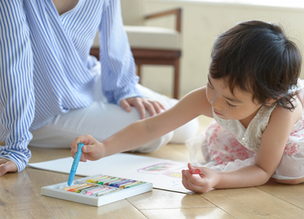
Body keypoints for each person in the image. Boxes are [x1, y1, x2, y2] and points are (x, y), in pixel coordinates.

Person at [71, 20, 304, 193]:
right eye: (211, 86)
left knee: (288, 170)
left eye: (231, 102)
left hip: (289, 137)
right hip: (257, 137)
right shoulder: (207, 97)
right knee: (221, 149)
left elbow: (263, 170)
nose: (215, 103)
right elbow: (151, 128)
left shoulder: (282, 111)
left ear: (268, 99)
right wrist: (103, 148)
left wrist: (218, 180)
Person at [0, 0, 199, 176]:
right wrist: (16, 145)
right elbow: (15, 67)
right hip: (34, 106)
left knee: (188, 124)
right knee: (156, 130)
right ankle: (22, 132)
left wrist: (124, 89)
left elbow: (115, 40)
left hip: (82, 77)